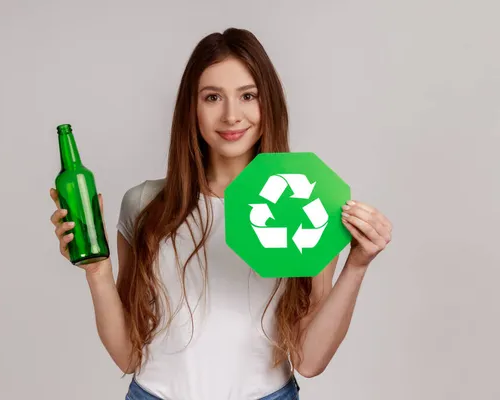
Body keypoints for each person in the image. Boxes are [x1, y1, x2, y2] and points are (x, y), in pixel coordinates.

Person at [49, 27, 393, 400]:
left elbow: (309, 361)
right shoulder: (145, 205)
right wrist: (98, 271)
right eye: (213, 97)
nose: (232, 115)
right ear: (191, 108)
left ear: (269, 104)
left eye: (248, 95)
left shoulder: (307, 205)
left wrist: (357, 264)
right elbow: (128, 356)